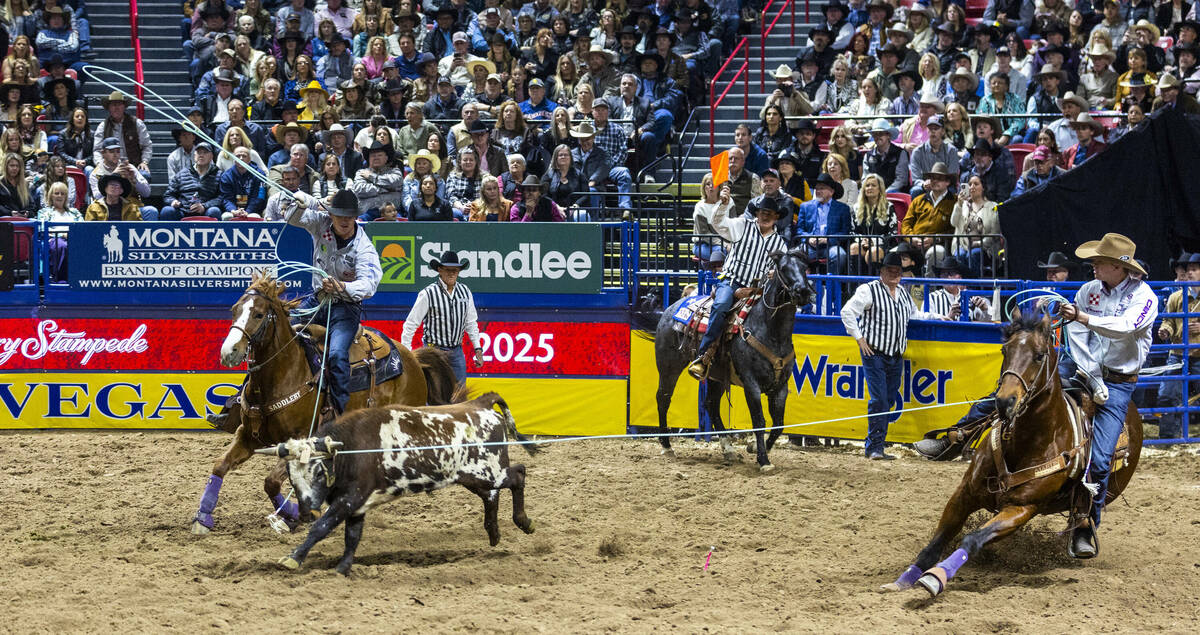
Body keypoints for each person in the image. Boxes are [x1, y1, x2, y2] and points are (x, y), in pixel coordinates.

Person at [1059, 233, 1157, 558]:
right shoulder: (1089, 290)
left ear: (1118, 267)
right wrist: (1087, 365)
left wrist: (1082, 317)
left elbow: (1126, 327)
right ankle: (960, 432)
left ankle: (1085, 526)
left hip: (1117, 382)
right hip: (1081, 368)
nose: (1093, 265)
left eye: (1099, 261)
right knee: (1024, 391)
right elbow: (1075, 330)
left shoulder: (1144, 298)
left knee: (1100, 460)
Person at [841, 248, 951, 460]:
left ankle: (877, 444)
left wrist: (939, 317)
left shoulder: (903, 294)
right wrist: (859, 338)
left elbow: (916, 315)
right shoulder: (868, 290)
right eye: (890, 271)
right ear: (882, 272)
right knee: (879, 400)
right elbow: (847, 312)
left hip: (895, 355)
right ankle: (874, 446)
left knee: (888, 399)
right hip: (874, 353)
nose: (895, 274)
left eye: (898, 271)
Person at [285, 188, 382, 417]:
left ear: (355, 217)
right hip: (316, 300)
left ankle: (339, 413)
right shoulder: (321, 223)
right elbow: (292, 217)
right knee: (277, 333)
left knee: (337, 354)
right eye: (339, 215)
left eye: (349, 216)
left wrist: (342, 287)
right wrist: (305, 201)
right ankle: (242, 399)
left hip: (345, 309)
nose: (344, 221)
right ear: (331, 214)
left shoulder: (364, 247)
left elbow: (369, 285)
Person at [688, 197, 788, 379]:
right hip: (731, 281)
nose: (766, 217)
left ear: (776, 217)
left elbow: (781, 270)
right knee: (721, 306)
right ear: (756, 213)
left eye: (770, 214)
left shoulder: (780, 244)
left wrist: (775, 274)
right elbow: (717, 223)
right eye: (763, 212)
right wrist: (723, 204)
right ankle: (703, 356)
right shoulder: (742, 226)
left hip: (758, 290)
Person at [400, 250, 484, 383]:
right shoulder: (428, 293)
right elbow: (411, 324)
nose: (451, 273)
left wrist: (478, 349)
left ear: (459, 271)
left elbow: (471, 323)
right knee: (435, 390)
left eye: (455, 270)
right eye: (447, 269)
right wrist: (407, 354)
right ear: (440, 270)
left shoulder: (465, 292)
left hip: (456, 351)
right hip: (433, 351)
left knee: (460, 392)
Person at [902, 162, 957, 270]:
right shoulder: (918, 200)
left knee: (936, 252)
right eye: (932, 178)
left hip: (939, 244)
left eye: (939, 178)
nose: (935, 181)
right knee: (895, 254)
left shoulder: (955, 201)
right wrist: (912, 238)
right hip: (914, 243)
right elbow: (906, 224)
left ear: (947, 182)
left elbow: (955, 229)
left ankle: (930, 282)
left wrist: (935, 238)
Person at [951, 174, 1001, 275]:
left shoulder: (992, 206)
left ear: (983, 187)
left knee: (973, 254)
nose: (972, 187)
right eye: (970, 184)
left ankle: (974, 284)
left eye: (976, 184)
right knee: (960, 255)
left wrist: (977, 243)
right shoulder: (963, 205)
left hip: (985, 248)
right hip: (963, 245)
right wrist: (959, 204)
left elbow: (994, 233)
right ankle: (961, 283)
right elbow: (953, 222)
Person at [161, 142, 223, 220]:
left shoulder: (219, 175)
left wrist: (204, 206)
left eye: (205, 152)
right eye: (199, 152)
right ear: (194, 155)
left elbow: (221, 197)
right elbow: (168, 195)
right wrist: (173, 201)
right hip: (183, 210)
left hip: (206, 210)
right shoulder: (182, 174)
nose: (201, 155)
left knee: (214, 211)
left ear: (211, 156)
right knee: (167, 210)